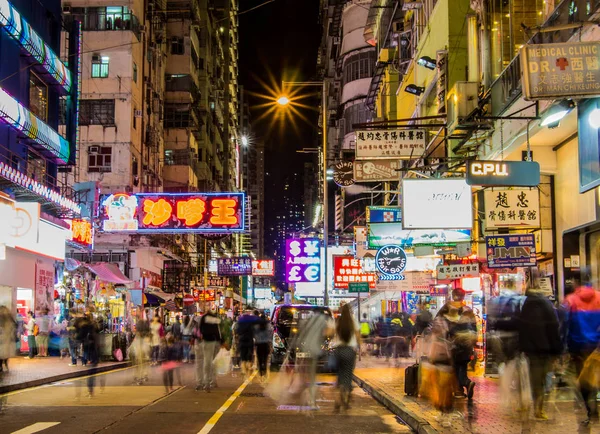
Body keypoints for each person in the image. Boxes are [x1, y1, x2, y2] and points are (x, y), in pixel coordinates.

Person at [518, 287, 562, 420]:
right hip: (546, 348)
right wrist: (557, 349)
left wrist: (523, 347)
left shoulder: (525, 306)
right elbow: (553, 327)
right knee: (545, 377)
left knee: (535, 378)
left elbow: (522, 328)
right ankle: (540, 407)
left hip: (531, 350)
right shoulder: (547, 305)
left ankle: (538, 406)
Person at [563, 284, 600, 425]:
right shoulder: (599, 297)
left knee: (583, 379)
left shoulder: (571, 300)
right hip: (597, 346)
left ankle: (591, 410)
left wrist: (566, 346)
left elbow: (565, 325)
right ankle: (595, 405)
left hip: (578, 347)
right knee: (596, 376)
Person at [437, 288, 477, 400]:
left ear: (452, 295)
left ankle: (466, 383)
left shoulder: (446, 308)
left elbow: (438, 324)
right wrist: (473, 343)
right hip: (466, 343)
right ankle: (459, 391)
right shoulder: (468, 310)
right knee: (462, 366)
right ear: (463, 297)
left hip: (452, 343)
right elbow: (474, 328)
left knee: (453, 367)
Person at [333, 304, 360, 413]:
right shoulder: (353, 321)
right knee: (348, 375)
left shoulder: (338, 321)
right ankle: (346, 397)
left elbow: (331, 333)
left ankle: (338, 400)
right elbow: (358, 336)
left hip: (338, 350)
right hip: (349, 351)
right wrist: (359, 348)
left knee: (340, 374)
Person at [197, 305, 221, 391]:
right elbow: (217, 331)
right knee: (213, 362)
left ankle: (206, 382)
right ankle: (212, 381)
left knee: (207, 362)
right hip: (214, 342)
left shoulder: (203, 318)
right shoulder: (215, 318)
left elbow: (200, 329)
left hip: (206, 342)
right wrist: (220, 341)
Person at [235, 310, 259, 378]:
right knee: (250, 353)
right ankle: (248, 365)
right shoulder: (251, 323)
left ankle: (244, 369)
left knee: (243, 355)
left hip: (242, 340)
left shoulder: (240, 323)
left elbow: (237, 331)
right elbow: (254, 331)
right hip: (249, 340)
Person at [254, 314, 272, 383]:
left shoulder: (256, 326)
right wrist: (270, 345)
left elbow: (254, 334)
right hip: (266, 344)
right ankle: (264, 374)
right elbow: (270, 335)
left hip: (258, 345)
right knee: (265, 360)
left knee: (259, 360)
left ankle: (261, 374)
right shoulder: (268, 326)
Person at [0, 306, 16, 371]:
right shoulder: (9, 320)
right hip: (6, 340)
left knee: (3, 354)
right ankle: (4, 365)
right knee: (4, 354)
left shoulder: (6, 320)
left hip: (4, 340)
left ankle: (2, 365)